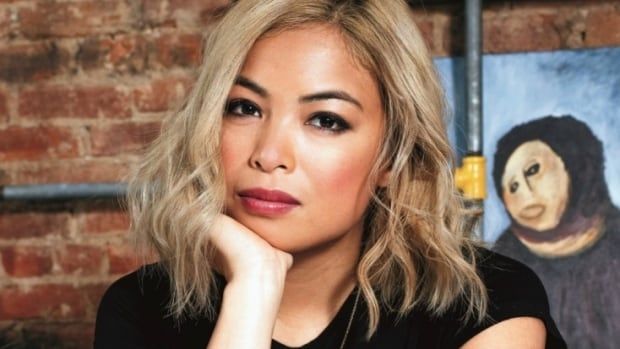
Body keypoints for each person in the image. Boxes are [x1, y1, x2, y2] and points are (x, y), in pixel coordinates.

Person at [94, 1, 566, 348]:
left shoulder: (487, 304)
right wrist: (254, 287)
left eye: (325, 120)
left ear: (391, 157)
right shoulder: (142, 309)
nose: (269, 154)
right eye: (244, 108)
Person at [493, 115, 620, 348]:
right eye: (512, 186)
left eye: (533, 170)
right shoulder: (501, 268)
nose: (524, 191)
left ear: (574, 165)